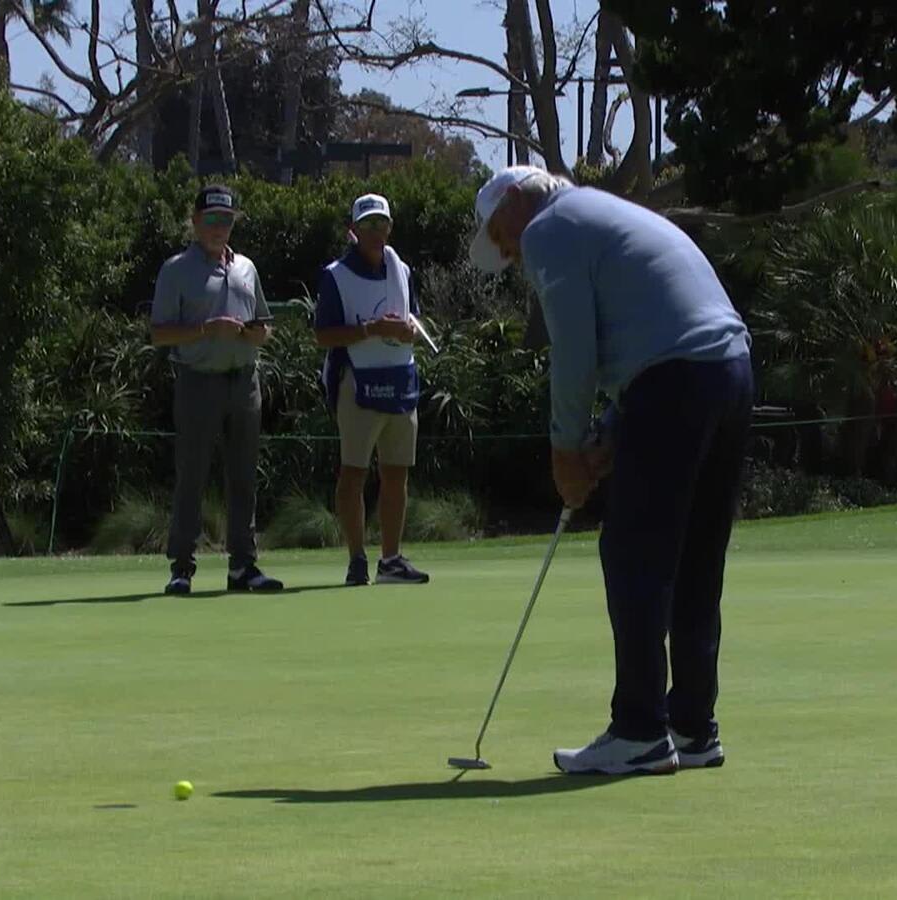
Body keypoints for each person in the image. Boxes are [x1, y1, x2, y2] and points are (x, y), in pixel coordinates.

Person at [469, 166, 753, 775]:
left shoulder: (551, 227)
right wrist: (613, 429)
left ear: (517, 201)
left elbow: (574, 352)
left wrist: (565, 451)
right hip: (729, 372)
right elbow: (654, 333)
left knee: (633, 553)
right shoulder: (603, 212)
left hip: (679, 378)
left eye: (503, 238)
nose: (512, 255)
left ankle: (641, 731)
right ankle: (692, 726)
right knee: (696, 557)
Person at [149, 184, 284, 595]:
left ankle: (243, 566)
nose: (218, 228)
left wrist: (257, 334)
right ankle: (181, 568)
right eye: (211, 219)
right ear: (195, 222)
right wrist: (208, 329)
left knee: (243, 477)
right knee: (192, 475)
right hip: (198, 381)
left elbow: (265, 322)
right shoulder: (176, 269)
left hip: (244, 381)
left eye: (226, 220)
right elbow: (159, 333)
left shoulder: (246, 267)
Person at [313, 193, 432, 587]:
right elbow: (324, 336)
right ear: (353, 230)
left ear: (390, 227)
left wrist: (407, 331)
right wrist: (372, 329)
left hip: (400, 380)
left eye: (380, 223)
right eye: (366, 225)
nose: (375, 231)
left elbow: (411, 319)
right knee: (354, 474)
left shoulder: (402, 270)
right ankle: (357, 559)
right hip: (357, 385)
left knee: (397, 473)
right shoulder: (335, 275)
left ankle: (391, 559)